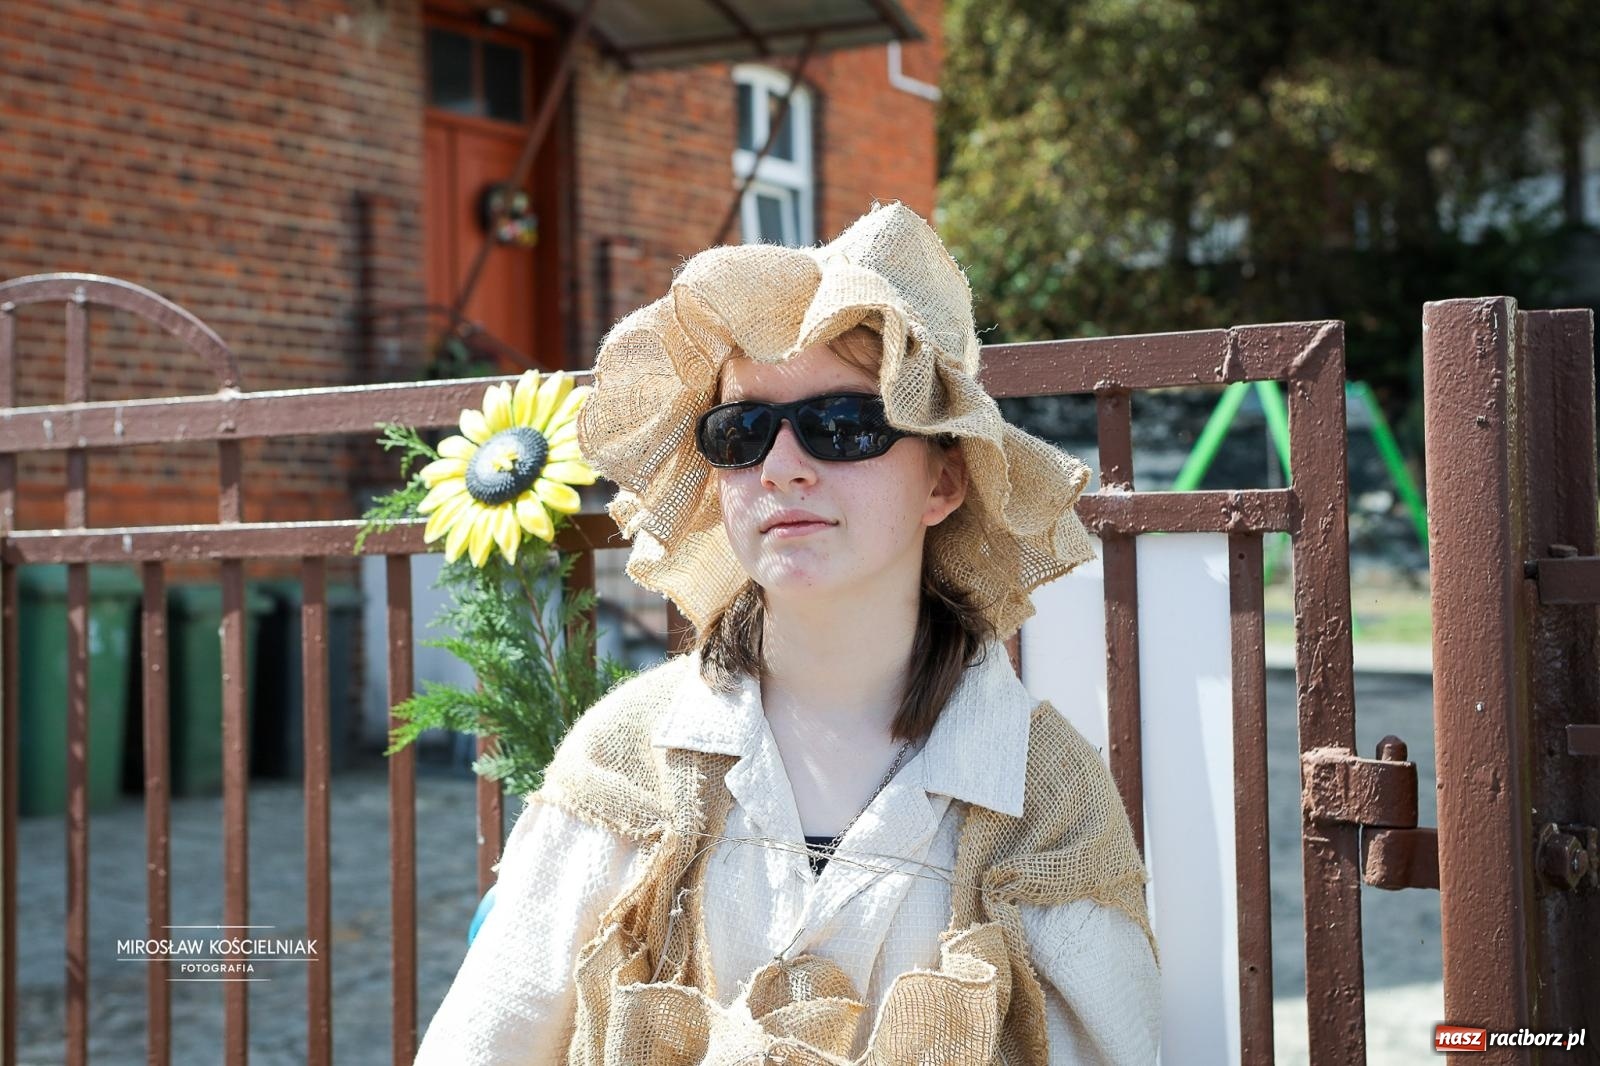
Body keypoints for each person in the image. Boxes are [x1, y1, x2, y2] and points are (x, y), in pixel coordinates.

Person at [414, 203, 1160, 1065]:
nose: (782, 465)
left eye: (844, 425)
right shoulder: (624, 758)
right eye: (743, 430)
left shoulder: (1047, 796)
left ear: (944, 479)